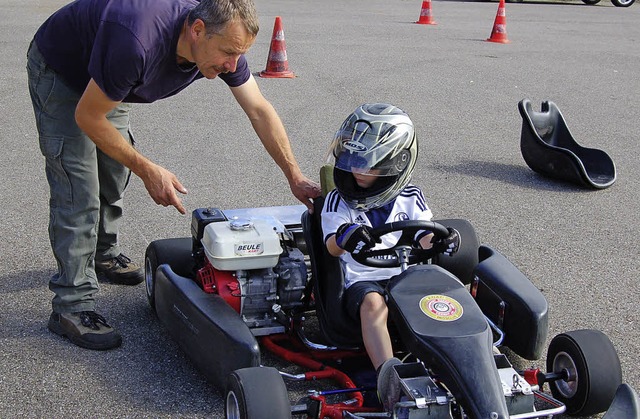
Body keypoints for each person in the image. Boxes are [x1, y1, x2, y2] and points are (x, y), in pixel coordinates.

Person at [27, 0, 320, 351]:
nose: (233, 65)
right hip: (63, 71)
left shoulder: (221, 44)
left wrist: (294, 175)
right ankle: (72, 306)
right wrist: (149, 169)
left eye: (238, 55)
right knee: (79, 190)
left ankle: (103, 253)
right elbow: (89, 117)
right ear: (196, 30)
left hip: (109, 77)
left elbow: (259, 110)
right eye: (228, 52)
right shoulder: (137, 43)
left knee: (114, 171)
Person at [321, 103, 459, 411]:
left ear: (396, 163)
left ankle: (463, 361)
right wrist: (347, 236)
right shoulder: (337, 200)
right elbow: (330, 245)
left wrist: (442, 240)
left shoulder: (411, 196)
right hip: (360, 280)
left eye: (368, 164)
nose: (356, 169)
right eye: (353, 159)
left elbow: (424, 236)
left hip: (404, 275)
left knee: (445, 295)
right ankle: (390, 379)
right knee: (374, 303)